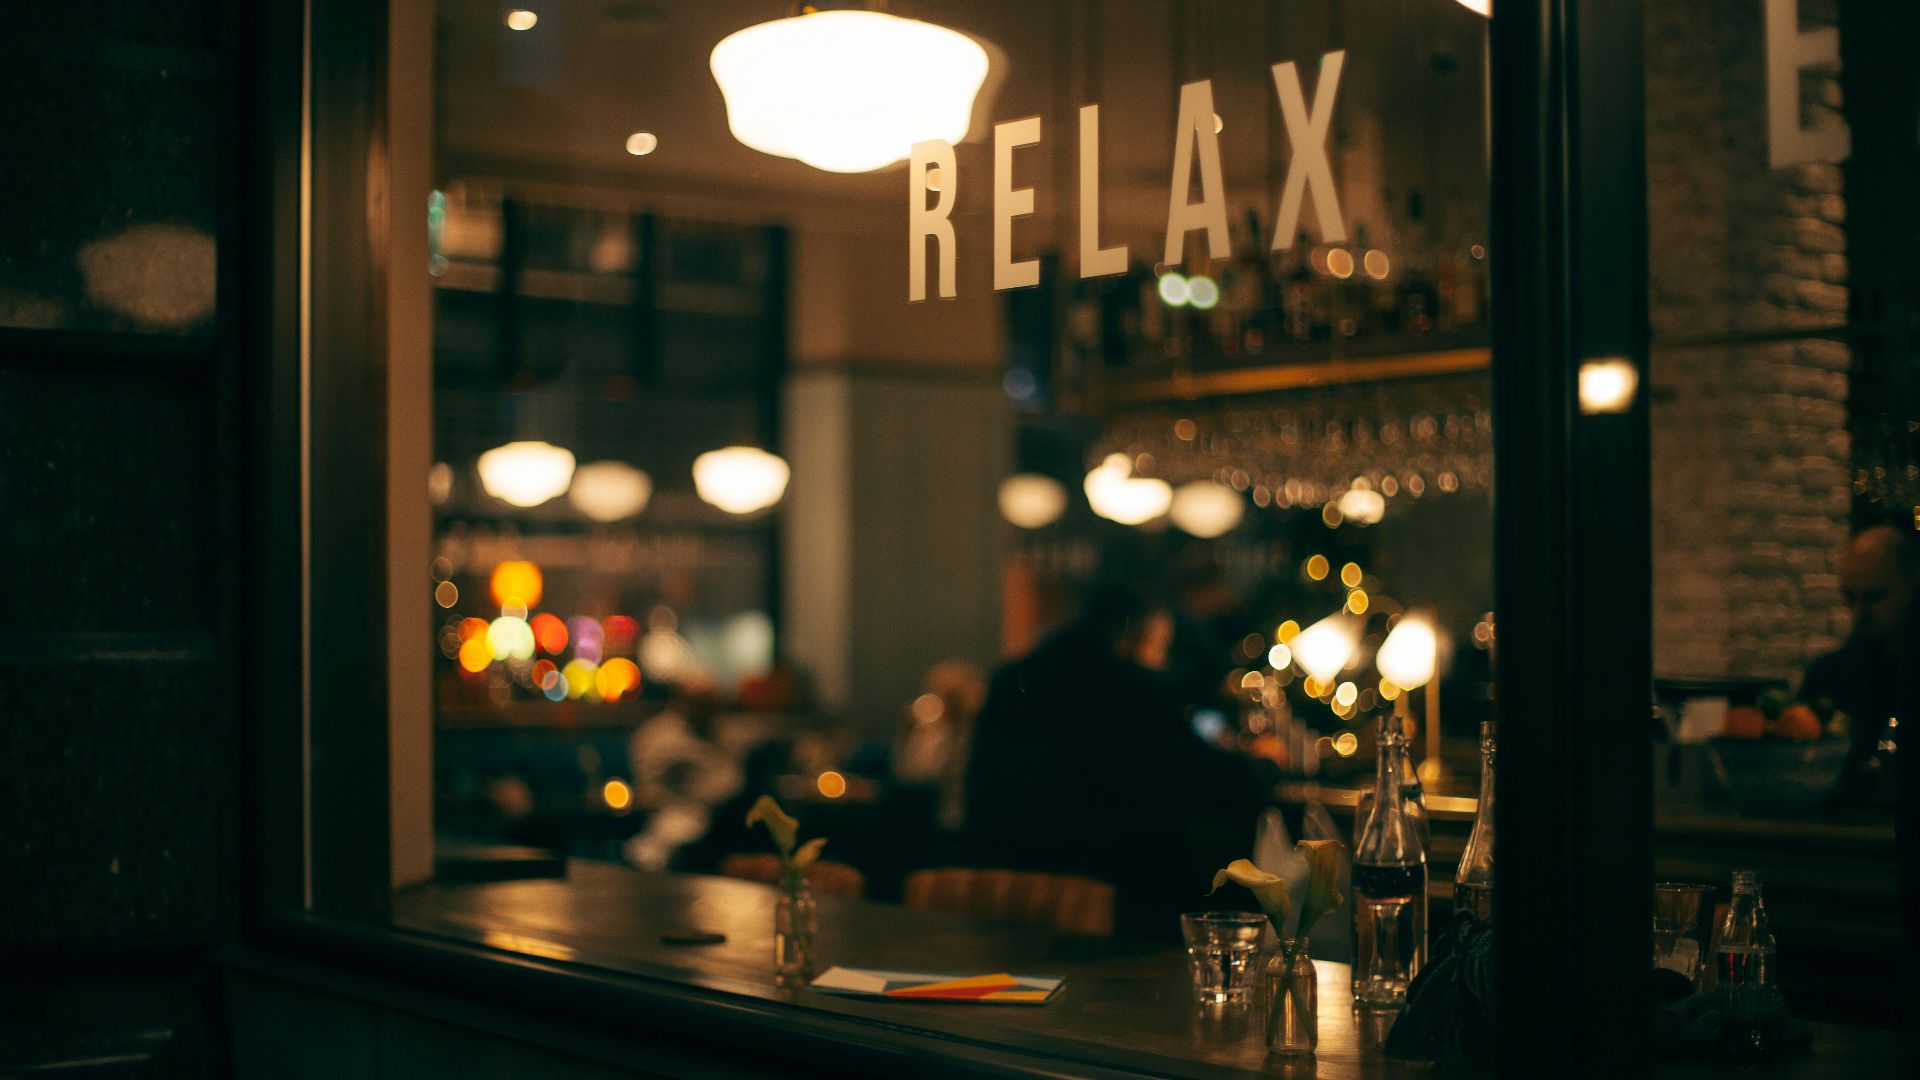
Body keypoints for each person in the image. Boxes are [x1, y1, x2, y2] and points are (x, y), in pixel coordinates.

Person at [963, 583, 1271, 940]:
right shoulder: (1130, 686)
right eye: (1159, 647)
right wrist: (1261, 765)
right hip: (1109, 889)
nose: (1162, 660)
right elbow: (1211, 778)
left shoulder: (1014, 676)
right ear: (1134, 638)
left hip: (1001, 877)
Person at [1800, 524, 1919, 806]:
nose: (1858, 613)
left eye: (1875, 597)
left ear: (1913, 584)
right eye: (1849, 598)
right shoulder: (1828, 675)